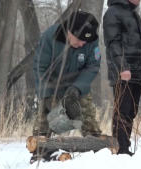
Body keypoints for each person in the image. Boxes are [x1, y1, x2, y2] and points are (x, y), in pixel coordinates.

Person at [32, 11, 102, 139]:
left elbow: (92, 66)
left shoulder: (91, 41)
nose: (82, 44)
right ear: (70, 31)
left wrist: (77, 88)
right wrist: (46, 93)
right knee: (44, 120)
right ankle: (41, 151)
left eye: (86, 41)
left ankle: (95, 149)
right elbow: (40, 66)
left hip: (78, 84)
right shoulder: (50, 36)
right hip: (52, 83)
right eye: (80, 40)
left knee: (88, 121)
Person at [103, 0, 141, 156]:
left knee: (131, 111)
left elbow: (140, 46)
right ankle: (120, 148)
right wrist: (122, 67)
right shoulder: (113, 12)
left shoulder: (132, 12)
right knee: (122, 111)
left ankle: (125, 147)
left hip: (136, 71)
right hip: (123, 71)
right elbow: (112, 42)